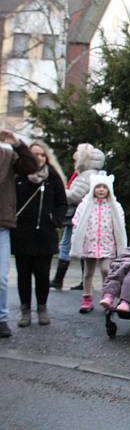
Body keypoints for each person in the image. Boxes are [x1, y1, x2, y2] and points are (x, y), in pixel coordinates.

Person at [11, 140, 67, 327]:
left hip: (45, 234)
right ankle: (25, 310)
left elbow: (62, 202)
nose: (39, 158)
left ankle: (42, 308)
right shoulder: (19, 175)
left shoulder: (52, 177)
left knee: (43, 276)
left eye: (42, 154)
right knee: (23, 275)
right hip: (22, 234)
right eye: (35, 154)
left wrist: (55, 220)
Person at [50, 143, 106, 291]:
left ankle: (59, 279)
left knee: (66, 244)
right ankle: (82, 281)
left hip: (77, 214)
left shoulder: (85, 175)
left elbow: (75, 195)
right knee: (80, 245)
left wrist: (60, 192)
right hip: (86, 215)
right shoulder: (97, 174)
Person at [70, 173, 127, 313]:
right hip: (89, 243)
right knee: (88, 272)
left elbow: (120, 225)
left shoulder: (114, 206)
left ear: (109, 189)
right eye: (98, 187)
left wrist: (119, 244)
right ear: (93, 189)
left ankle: (106, 297)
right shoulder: (85, 205)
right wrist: (77, 240)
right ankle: (87, 299)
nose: (101, 190)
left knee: (106, 269)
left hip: (107, 243)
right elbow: (77, 222)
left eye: (104, 187)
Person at [0, 129, 38, 337]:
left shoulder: (7, 155)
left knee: (1, 278)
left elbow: (31, 167)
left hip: (2, 224)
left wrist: (18, 144)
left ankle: (1, 319)